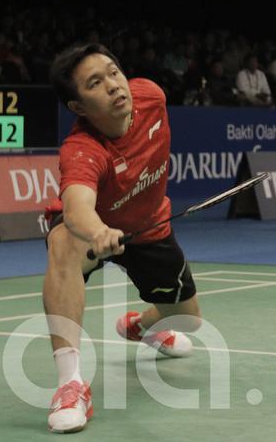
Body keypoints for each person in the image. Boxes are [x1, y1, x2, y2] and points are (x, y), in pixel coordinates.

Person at [43, 44, 202, 434]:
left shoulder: (152, 96)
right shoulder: (82, 149)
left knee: (190, 321)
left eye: (114, 72)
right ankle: (71, 384)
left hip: (150, 228)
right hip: (95, 232)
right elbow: (78, 205)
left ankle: (140, 326)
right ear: (78, 107)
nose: (115, 86)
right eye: (96, 83)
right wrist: (98, 232)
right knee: (62, 242)